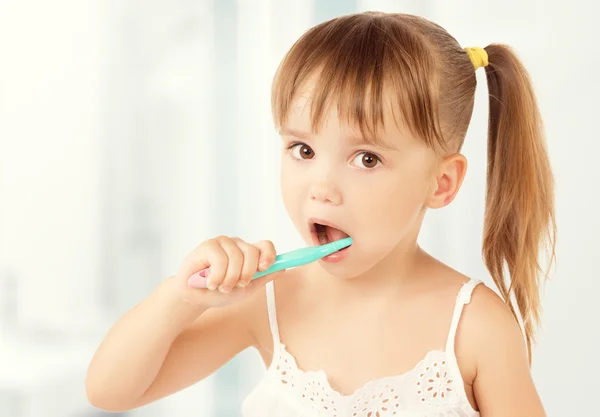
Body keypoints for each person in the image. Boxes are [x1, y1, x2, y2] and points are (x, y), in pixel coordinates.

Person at [86, 11, 556, 417]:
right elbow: (110, 392)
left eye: (366, 158)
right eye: (302, 149)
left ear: (441, 182)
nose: (322, 187)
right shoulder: (268, 298)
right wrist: (181, 298)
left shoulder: (476, 327)